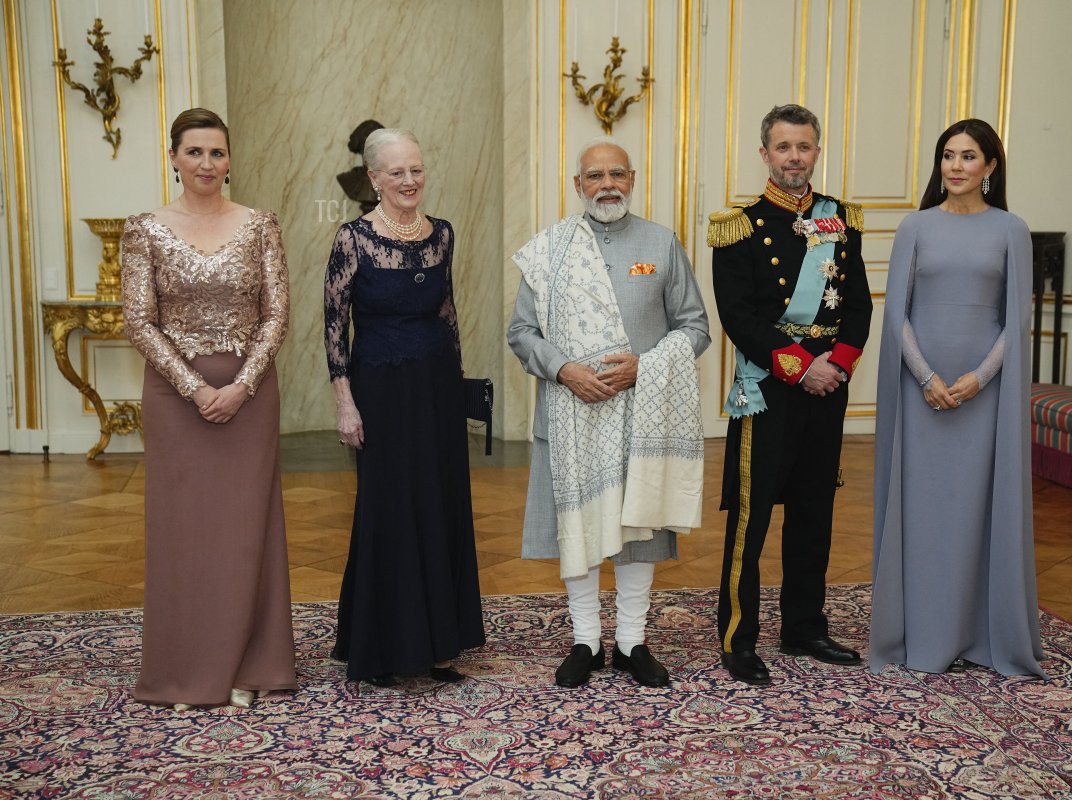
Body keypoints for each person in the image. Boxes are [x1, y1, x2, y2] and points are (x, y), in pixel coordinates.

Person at [508, 138, 710, 689]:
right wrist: (563, 370)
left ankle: (630, 643)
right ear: (578, 185)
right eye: (594, 176)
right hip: (570, 413)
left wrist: (645, 367)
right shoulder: (547, 249)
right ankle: (585, 641)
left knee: (636, 525)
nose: (606, 185)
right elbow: (521, 333)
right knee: (576, 525)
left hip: (641, 416)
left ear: (633, 178)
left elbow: (695, 327)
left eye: (616, 174)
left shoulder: (661, 243)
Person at [122, 108, 295, 712]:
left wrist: (241, 386)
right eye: (193, 152)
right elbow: (139, 321)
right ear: (173, 158)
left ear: (230, 160)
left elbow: (276, 314)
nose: (206, 164)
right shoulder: (144, 229)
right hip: (176, 401)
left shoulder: (259, 225)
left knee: (248, 531)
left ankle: (256, 663)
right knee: (184, 533)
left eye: (216, 153)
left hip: (249, 398)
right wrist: (195, 388)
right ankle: (183, 669)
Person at [869, 119, 1045, 677]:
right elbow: (896, 313)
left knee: (977, 510)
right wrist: (926, 378)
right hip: (922, 393)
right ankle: (919, 631)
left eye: (969, 157)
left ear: (990, 167)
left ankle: (981, 633)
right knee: (923, 511)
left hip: (983, 394)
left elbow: (1017, 320)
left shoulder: (1012, 229)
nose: (956, 166)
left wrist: (980, 378)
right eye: (948, 156)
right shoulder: (914, 227)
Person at [708, 104, 872, 685]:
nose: (794, 157)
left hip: (828, 389)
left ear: (816, 152)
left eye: (804, 147)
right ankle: (738, 636)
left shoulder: (841, 221)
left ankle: (804, 627)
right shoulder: (739, 226)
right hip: (772, 390)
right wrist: (802, 368)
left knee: (814, 513)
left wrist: (838, 367)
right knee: (750, 520)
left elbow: (857, 308)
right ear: (765, 154)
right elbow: (740, 317)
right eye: (783, 147)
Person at [324, 128, 484, 686]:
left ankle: (441, 644)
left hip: (435, 389)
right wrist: (346, 404)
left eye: (416, 169)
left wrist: (459, 389)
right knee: (388, 508)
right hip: (381, 392)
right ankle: (384, 647)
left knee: (440, 506)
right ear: (374, 179)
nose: (409, 180)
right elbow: (333, 327)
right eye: (396, 172)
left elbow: (448, 312)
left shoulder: (442, 234)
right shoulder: (353, 240)